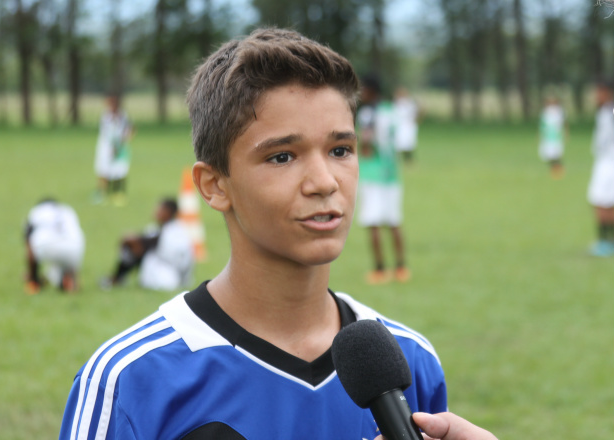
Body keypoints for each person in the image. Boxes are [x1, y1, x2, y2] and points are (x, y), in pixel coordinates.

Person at [59, 28, 447, 440]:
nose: (324, 182)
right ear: (214, 185)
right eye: (282, 156)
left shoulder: (408, 361)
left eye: (340, 151)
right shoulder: (130, 379)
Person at [358, 75, 410, 284]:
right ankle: (401, 267)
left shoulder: (368, 113)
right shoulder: (392, 111)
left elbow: (367, 145)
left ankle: (379, 269)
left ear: (371, 91)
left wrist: (364, 146)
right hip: (392, 175)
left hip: (372, 174)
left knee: (373, 224)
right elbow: (402, 142)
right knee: (395, 222)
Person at [101, 198, 194, 291]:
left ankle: (117, 279)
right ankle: (118, 278)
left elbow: (179, 260)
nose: (156, 211)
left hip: (168, 275)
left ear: (169, 212)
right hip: (164, 273)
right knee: (132, 246)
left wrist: (134, 242)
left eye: (161, 209)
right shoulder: (155, 229)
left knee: (134, 246)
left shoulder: (177, 234)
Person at [24, 198, 85, 294]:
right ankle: (71, 283)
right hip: (74, 250)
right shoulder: (67, 210)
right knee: (66, 256)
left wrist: (32, 272)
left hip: (46, 247)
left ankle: (33, 283)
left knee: (32, 245)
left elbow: (27, 236)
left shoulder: (38, 211)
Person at [587, 80, 614, 257]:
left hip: (608, 163)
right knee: (604, 201)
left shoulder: (609, 113)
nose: (596, 96)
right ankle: (606, 241)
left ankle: (605, 243)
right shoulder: (604, 111)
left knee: (602, 201)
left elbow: (602, 142)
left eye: (599, 92)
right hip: (604, 162)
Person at [93, 94, 133, 207]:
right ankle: (101, 192)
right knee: (103, 168)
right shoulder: (105, 116)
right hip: (106, 146)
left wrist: (122, 142)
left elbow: (129, 130)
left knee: (119, 169)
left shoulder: (123, 116)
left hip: (120, 146)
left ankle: (118, 192)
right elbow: (106, 133)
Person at [538, 95, 567, 179]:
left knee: (557, 153)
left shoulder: (559, 112)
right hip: (548, 136)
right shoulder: (545, 112)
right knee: (548, 154)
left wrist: (565, 133)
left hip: (556, 136)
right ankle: (553, 168)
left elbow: (563, 123)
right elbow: (542, 125)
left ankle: (558, 169)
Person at [394, 86, 421, 164]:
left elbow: (415, 114)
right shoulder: (397, 104)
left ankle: (409, 161)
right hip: (400, 127)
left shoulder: (407, 104)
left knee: (408, 145)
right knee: (398, 145)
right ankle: (399, 160)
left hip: (407, 127)